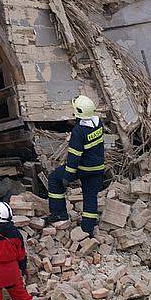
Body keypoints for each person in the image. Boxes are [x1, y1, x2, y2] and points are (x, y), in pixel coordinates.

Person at [46, 95, 105, 238]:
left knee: (54, 178)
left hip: (84, 168)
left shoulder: (79, 131)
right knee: (90, 196)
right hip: (98, 168)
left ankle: (59, 214)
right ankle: (88, 229)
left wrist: (68, 176)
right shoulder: (98, 123)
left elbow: (74, 156)